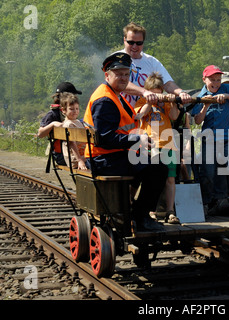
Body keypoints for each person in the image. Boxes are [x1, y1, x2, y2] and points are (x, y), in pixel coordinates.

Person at [82, 52, 168, 232]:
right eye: (118, 74)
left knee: (154, 164)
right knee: (158, 168)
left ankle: (134, 212)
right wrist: (138, 139)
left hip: (113, 155)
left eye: (126, 74)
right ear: (107, 75)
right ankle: (141, 216)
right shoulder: (105, 100)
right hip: (104, 159)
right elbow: (105, 139)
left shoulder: (114, 94)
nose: (123, 77)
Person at [191, 65, 229, 218]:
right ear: (204, 80)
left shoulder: (227, 88)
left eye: (218, 79)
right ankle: (206, 205)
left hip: (227, 138)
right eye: (212, 80)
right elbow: (197, 121)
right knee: (207, 173)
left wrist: (227, 96)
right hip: (208, 139)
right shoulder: (200, 96)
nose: (216, 83)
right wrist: (206, 105)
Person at [134, 72, 180, 224]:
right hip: (149, 145)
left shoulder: (166, 102)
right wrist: (150, 101)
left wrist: (172, 102)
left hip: (167, 145)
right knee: (148, 179)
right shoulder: (142, 101)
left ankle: (170, 211)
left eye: (159, 93)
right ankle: (149, 210)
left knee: (170, 179)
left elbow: (174, 116)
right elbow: (139, 116)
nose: (157, 96)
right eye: (154, 93)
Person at [117, 22, 192, 107]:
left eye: (139, 43)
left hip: (147, 116)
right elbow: (120, 83)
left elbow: (167, 83)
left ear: (143, 42)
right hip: (122, 113)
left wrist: (181, 92)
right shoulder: (117, 59)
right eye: (131, 42)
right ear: (124, 40)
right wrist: (144, 92)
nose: (134, 46)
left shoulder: (152, 61)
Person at [37, 82, 82, 165]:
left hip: (74, 152)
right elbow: (40, 134)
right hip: (62, 155)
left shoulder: (71, 112)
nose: (75, 98)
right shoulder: (53, 114)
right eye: (74, 95)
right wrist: (53, 124)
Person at [59, 92, 87, 170]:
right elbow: (72, 144)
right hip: (76, 160)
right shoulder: (68, 125)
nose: (75, 111)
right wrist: (80, 161)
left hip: (83, 157)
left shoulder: (77, 122)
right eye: (71, 109)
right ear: (63, 110)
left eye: (77, 108)